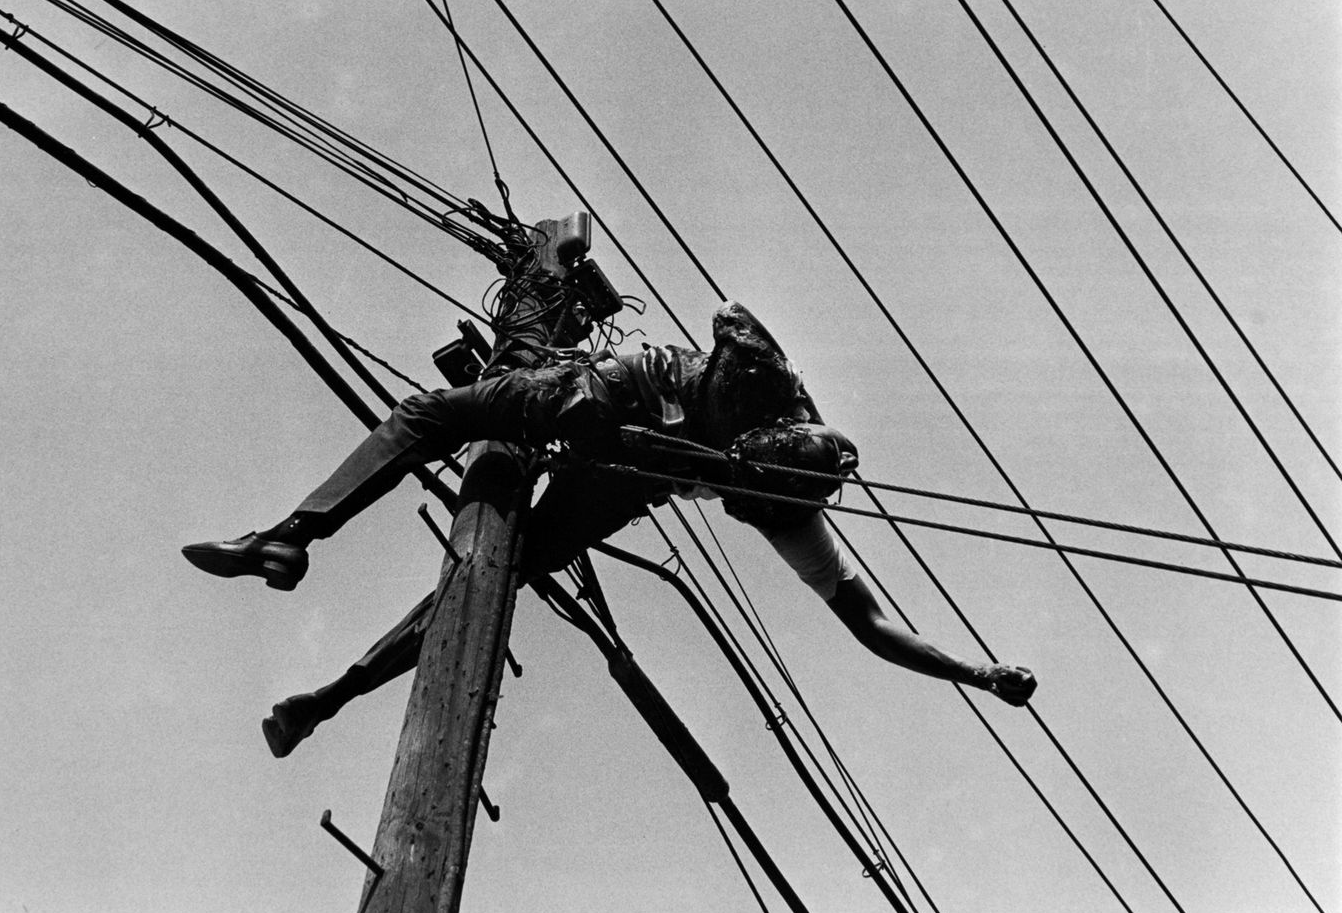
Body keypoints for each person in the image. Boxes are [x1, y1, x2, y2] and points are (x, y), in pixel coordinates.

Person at [184, 302, 1037, 757]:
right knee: (436, 414)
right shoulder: (743, 374)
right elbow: (727, 313)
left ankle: (326, 698)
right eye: (739, 487)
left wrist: (977, 669)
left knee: (498, 572)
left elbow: (871, 623)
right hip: (611, 393)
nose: (741, 507)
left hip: (624, 480)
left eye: (752, 505)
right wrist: (610, 420)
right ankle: (292, 534)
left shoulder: (791, 502)